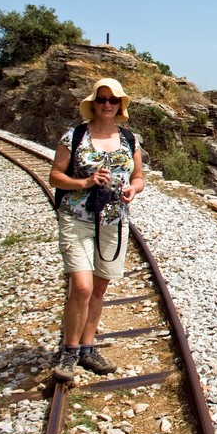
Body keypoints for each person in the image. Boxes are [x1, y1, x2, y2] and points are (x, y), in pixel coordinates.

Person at [48, 78, 144, 382]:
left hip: (113, 221)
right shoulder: (74, 137)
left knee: (100, 288)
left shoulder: (130, 139)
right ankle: (69, 352)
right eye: (101, 100)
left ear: (120, 106)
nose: (106, 105)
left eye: (112, 101)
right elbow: (54, 177)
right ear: (93, 103)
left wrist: (133, 190)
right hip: (76, 218)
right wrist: (85, 183)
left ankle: (88, 349)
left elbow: (139, 177)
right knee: (83, 286)